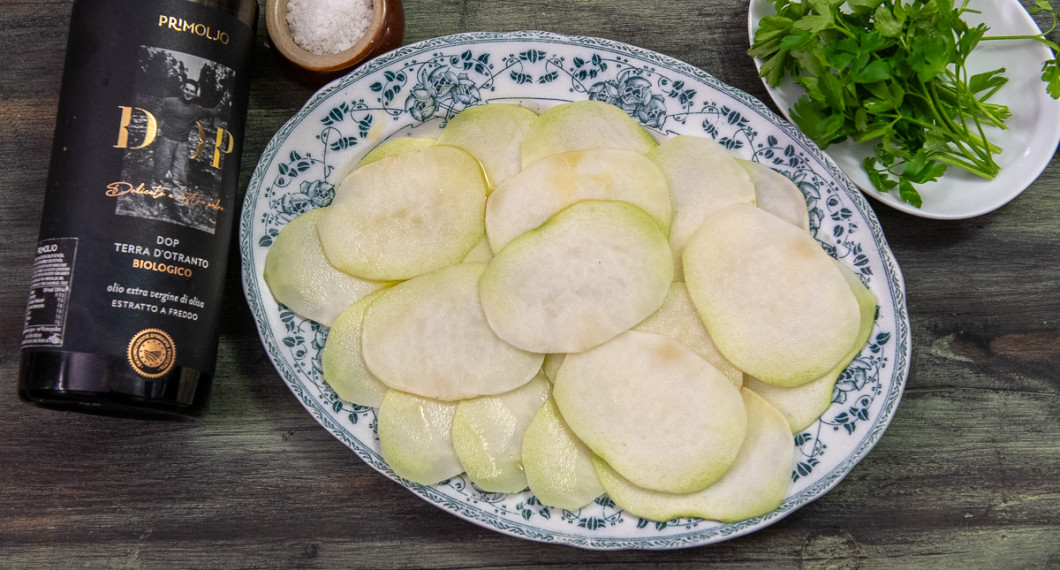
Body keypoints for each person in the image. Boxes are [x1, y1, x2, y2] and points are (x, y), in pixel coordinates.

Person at [152, 78, 227, 197]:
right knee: (160, 172)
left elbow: (213, 112)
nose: (188, 93)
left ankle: (179, 203)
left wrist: (223, 101)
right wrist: (157, 130)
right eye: (187, 89)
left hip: (182, 145)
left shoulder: (196, 109)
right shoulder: (169, 102)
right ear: (182, 88)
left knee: (180, 176)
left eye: (192, 91)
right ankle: (154, 199)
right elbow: (156, 115)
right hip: (166, 141)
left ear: (195, 94)